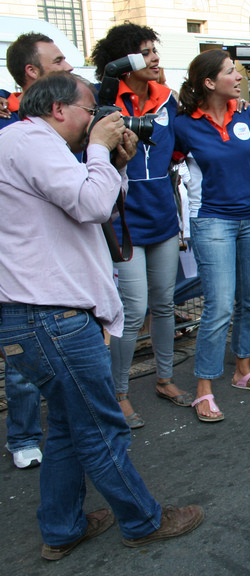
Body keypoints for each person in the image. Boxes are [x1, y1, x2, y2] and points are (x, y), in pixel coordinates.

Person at [0, 71, 203, 560]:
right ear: (58, 109)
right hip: (52, 317)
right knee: (101, 426)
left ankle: (61, 529)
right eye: (91, 111)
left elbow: (99, 202)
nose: (100, 121)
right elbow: (92, 205)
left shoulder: (28, 144)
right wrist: (96, 148)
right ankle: (143, 520)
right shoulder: (32, 141)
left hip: (37, 317)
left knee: (67, 428)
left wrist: (111, 161)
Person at [90, 23, 192, 430]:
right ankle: (118, 393)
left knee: (165, 303)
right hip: (123, 221)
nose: (154, 58)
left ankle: (164, 379)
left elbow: (179, 149)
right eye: (145, 52)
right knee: (131, 311)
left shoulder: (168, 99)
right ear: (123, 60)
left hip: (163, 215)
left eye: (154, 50)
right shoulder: (102, 101)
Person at [174, 49, 250, 422]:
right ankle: (204, 389)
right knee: (218, 307)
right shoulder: (182, 125)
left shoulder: (246, 114)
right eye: (231, 71)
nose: (239, 77)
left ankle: (242, 370)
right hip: (212, 221)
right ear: (209, 82)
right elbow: (167, 166)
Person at [1, 32, 74, 469]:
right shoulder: (15, 131)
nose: (68, 66)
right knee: (23, 361)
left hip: (67, 260)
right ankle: (25, 436)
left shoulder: (65, 123)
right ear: (32, 70)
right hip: (25, 268)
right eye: (58, 60)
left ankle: (72, 431)